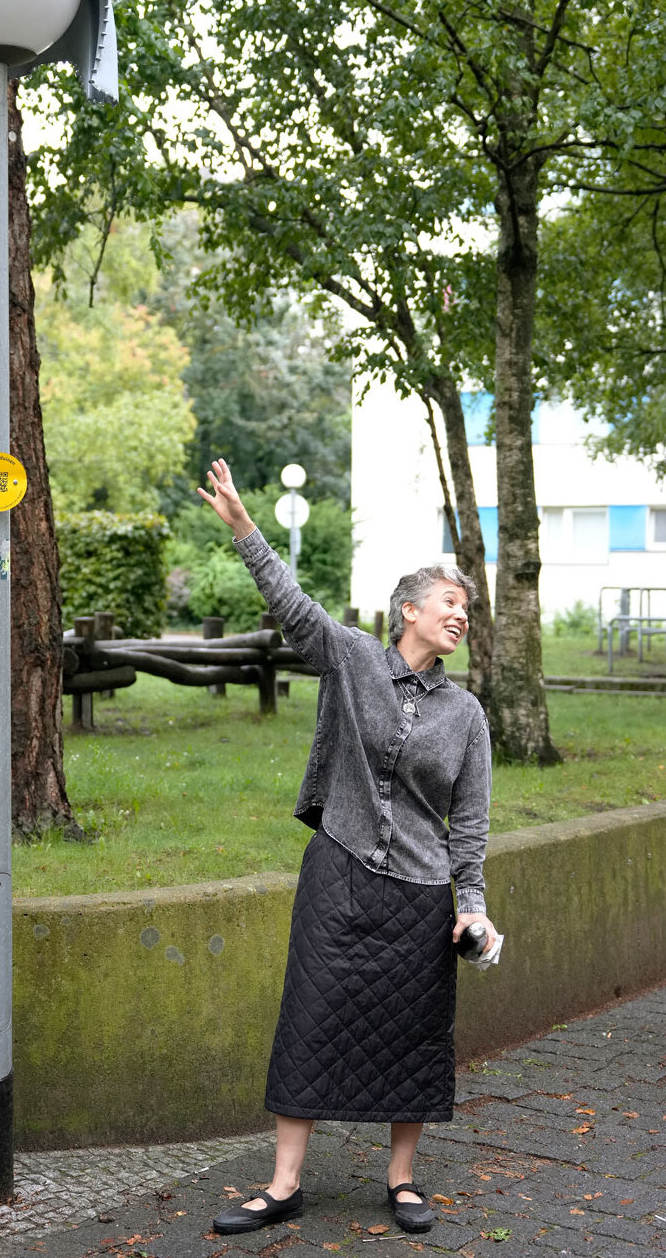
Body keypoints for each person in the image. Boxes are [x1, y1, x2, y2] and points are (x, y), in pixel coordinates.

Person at [198, 459, 497, 1238]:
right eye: (448, 603)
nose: (460, 615)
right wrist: (244, 529)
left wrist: (471, 908)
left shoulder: (466, 715)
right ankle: (284, 1183)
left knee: (410, 1031)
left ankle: (400, 1181)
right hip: (339, 873)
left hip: (420, 896)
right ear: (408, 609)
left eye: (466, 608)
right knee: (312, 1016)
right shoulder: (354, 658)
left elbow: (468, 824)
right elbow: (293, 607)